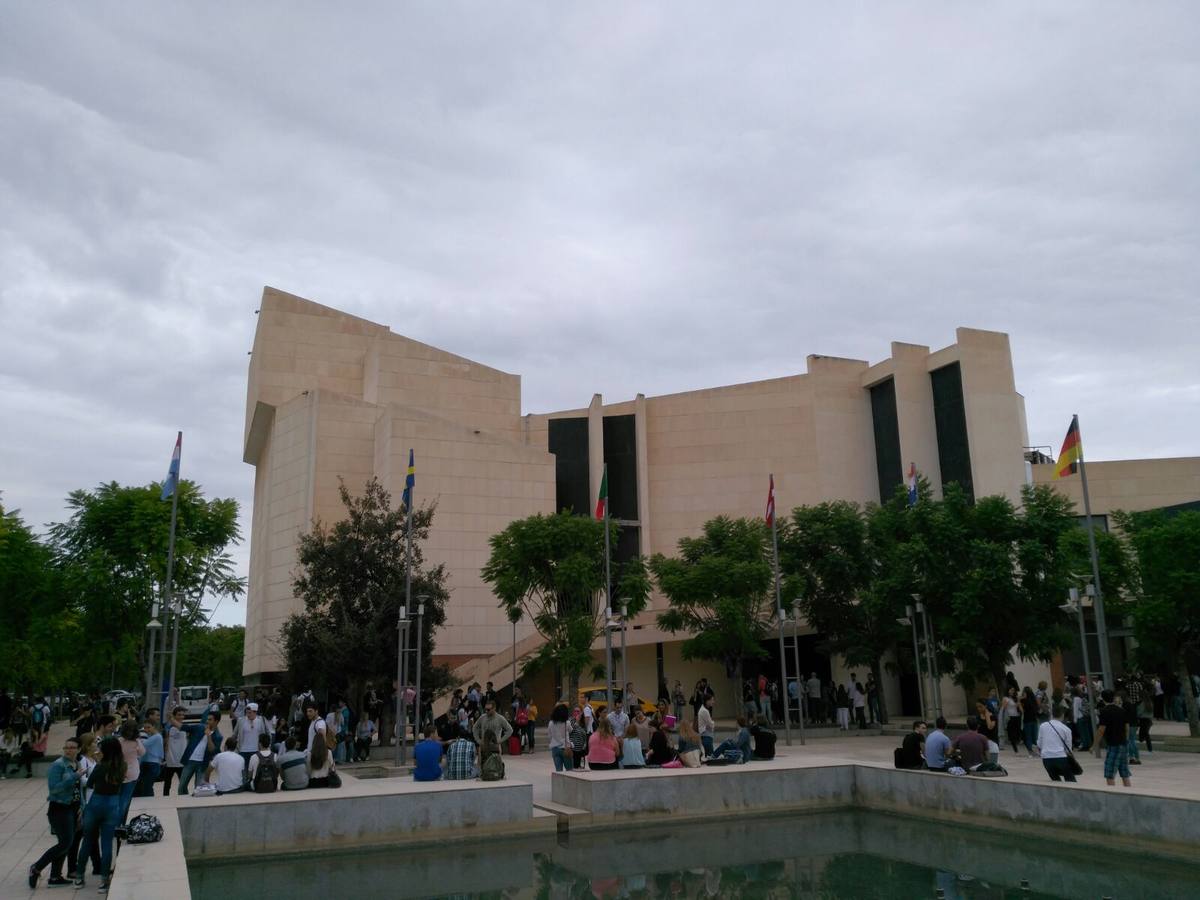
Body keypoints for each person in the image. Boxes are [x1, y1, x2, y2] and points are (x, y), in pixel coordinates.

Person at [28, 735, 82, 889]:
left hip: (72, 808)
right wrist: (74, 776)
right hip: (59, 808)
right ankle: (36, 867)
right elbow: (54, 789)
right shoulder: (58, 766)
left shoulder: (76, 763)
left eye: (72, 747)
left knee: (66, 843)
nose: (68, 750)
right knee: (65, 843)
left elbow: (79, 790)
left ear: (79, 749)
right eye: (66, 747)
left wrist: (81, 807)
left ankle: (55, 877)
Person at [74, 737, 126, 892]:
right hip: (112, 805)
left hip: (96, 803)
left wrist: (97, 762)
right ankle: (104, 882)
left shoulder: (100, 766)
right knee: (107, 844)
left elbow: (89, 784)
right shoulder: (122, 766)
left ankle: (79, 877)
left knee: (87, 841)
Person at [178, 711, 222, 795]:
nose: (207, 721)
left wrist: (208, 736)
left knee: (199, 789)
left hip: (202, 764)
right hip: (190, 760)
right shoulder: (200, 727)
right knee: (182, 786)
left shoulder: (218, 736)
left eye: (210, 720)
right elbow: (183, 727)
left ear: (216, 721)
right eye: (207, 719)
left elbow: (212, 750)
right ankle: (183, 803)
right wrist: (171, 719)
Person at [1096, 689, 1132, 787]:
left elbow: (1101, 729)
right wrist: (1126, 740)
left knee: (1110, 773)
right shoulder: (1122, 710)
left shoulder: (1104, 711)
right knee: (1125, 773)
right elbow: (1127, 728)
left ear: (1103, 699)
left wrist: (1094, 744)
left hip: (1113, 744)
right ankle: (1129, 791)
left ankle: (1112, 792)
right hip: (1123, 743)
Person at [1038, 708, 1077, 782]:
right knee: (1070, 780)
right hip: (1060, 756)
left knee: (1055, 780)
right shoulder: (1066, 729)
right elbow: (1068, 748)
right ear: (1062, 715)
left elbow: (1039, 743)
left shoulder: (1042, 726)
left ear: (1051, 715)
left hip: (1046, 758)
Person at [116, 719, 144, 822]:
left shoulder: (119, 741)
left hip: (119, 771)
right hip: (133, 772)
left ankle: (114, 822)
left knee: (118, 798)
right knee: (125, 799)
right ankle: (120, 823)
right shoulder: (136, 742)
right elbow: (142, 753)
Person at [161, 706, 189, 795]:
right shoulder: (168, 728)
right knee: (167, 784)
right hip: (170, 761)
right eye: (179, 715)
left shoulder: (186, 727)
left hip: (181, 761)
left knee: (183, 784)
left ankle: (184, 799)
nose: (181, 717)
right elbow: (165, 743)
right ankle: (165, 799)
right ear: (174, 716)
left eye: (183, 715)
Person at [134, 718, 163, 798]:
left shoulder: (157, 736)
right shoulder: (151, 736)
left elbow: (144, 744)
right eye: (145, 728)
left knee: (147, 786)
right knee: (143, 786)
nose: (146, 730)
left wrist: (137, 739)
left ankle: (149, 804)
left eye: (148, 727)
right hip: (146, 763)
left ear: (154, 727)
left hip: (152, 764)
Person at [236, 702, 269, 767]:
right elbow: (234, 734)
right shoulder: (241, 720)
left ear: (255, 712)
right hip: (243, 751)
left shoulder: (261, 720)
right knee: (244, 771)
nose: (248, 715)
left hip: (257, 750)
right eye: (247, 712)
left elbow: (267, 733)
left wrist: (267, 746)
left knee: (255, 771)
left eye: (250, 713)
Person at [547, 703, 573, 772]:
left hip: (555, 749)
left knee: (558, 771)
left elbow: (549, 736)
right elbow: (571, 730)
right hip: (565, 748)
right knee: (569, 770)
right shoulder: (567, 722)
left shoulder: (551, 723)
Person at [1019, 687, 1040, 757]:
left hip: (1027, 720)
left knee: (1028, 736)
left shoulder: (1024, 701)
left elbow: (1022, 711)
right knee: (1035, 736)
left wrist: (1019, 701)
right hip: (1034, 720)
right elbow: (1037, 708)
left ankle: (1030, 751)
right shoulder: (1034, 700)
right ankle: (1037, 751)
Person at [1001, 688, 1022, 754]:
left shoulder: (1014, 698)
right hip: (1010, 717)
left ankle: (1017, 744)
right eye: (1011, 690)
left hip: (1017, 716)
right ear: (1008, 691)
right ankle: (1015, 748)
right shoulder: (1005, 698)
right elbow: (1003, 707)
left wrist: (1018, 700)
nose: (1012, 691)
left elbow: (1018, 706)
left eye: (1013, 690)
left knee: (1017, 732)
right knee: (1011, 733)